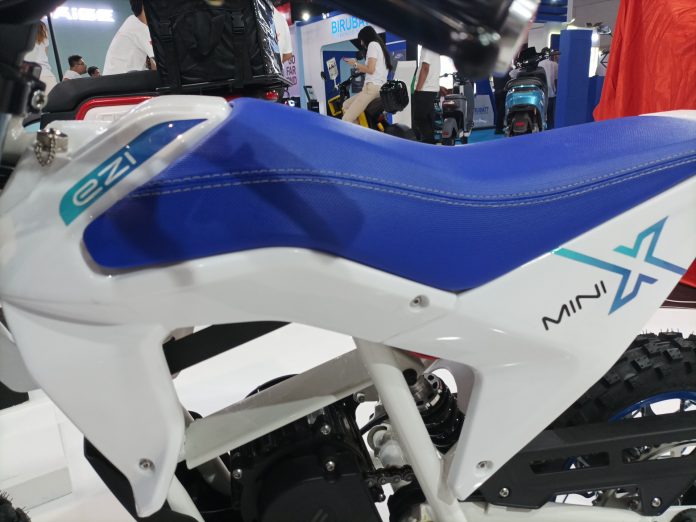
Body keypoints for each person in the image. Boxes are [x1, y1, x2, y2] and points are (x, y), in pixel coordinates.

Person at [342, 26, 391, 125]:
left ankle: (358, 133)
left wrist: (355, 64)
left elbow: (370, 69)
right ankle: (359, 128)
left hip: (371, 88)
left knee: (346, 119)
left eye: (362, 40)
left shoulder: (372, 45)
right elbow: (373, 69)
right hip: (378, 88)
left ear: (366, 38)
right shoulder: (380, 47)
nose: (361, 43)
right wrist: (358, 66)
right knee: (346, 105)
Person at [103, 0, 155, 75]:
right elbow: (161, 61)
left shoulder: (133, 21)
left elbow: (155, 63)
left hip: (120, 77)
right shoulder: (140, 25)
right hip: (122, 79)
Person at [411, 48, 441, 143]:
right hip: (431, 89)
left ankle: (428, 143)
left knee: (419, 118)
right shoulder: (434, 47)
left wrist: (418, 89)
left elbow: (425, 68)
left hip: (424, 89)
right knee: (428, 119)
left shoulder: (427, 47)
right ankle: (431, 144)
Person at [24, 21, 57, 93]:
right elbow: (45, 55)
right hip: (46, 75)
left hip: (29, 75)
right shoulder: (44, 38)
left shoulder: (24, 38)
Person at [539, 47, 558, 128]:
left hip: (540, 94)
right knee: (550, 116)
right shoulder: (555, 65)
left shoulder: (538, 65)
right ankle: (551, 131)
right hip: (551, 94)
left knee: (540, 115)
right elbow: (556, 80)